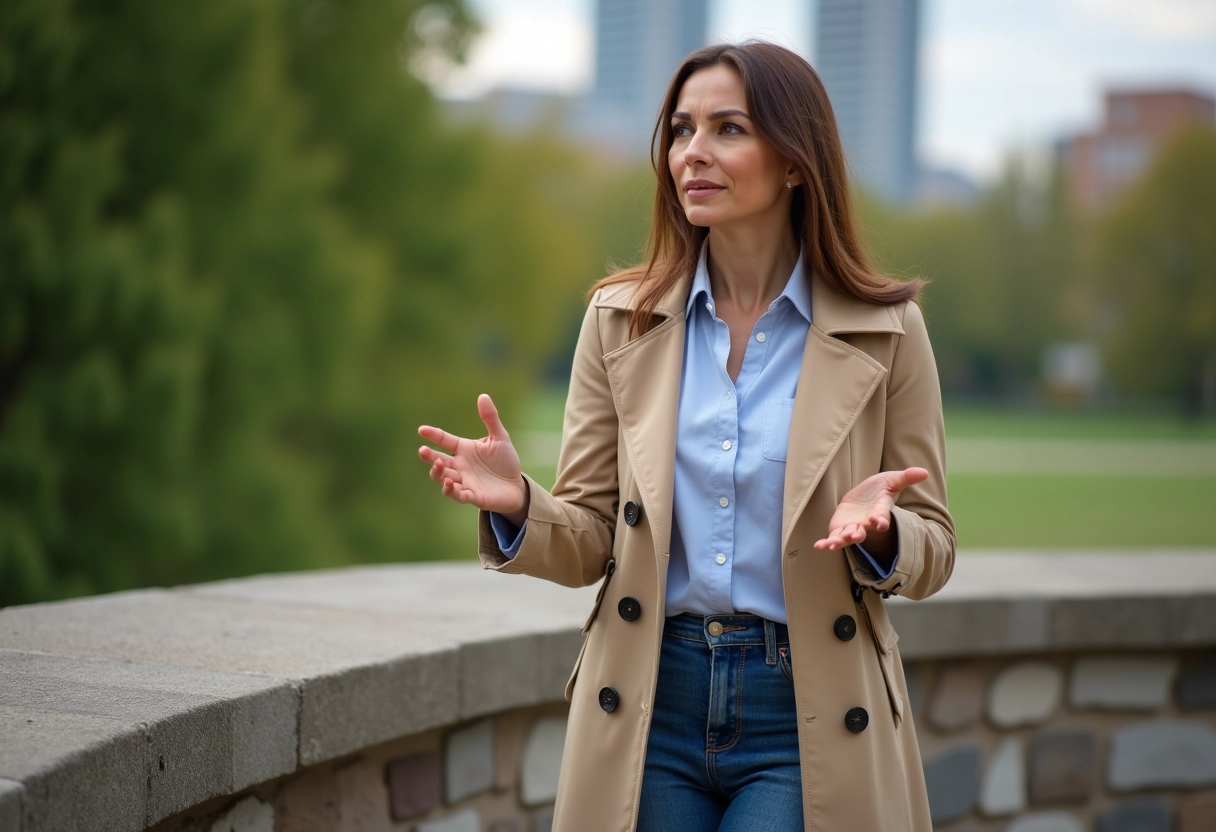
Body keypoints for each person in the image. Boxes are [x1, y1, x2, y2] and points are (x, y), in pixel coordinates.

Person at [418, 41, 954, 832]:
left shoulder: (888, 330)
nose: (692, 153)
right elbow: (593, 539)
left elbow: (935, 545)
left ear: (797, 162)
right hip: (647, 700)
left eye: (727, 129)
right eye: (680, 130)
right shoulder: (618, 321)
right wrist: (521, 508)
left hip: (805, 704)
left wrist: (885, 536)